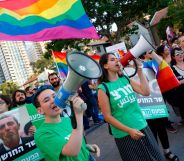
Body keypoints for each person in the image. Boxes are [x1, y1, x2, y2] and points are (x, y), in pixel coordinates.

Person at [97, 53, 165, 161]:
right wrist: (129, 130)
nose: (117, 61)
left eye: (117, 59)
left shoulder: (125, 79)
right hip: (124, 134)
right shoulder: (103, 88)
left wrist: (140, 70)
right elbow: (108, 117)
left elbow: (146, 91)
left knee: (155, 157)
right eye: (112, 60)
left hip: (142, 125)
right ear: (105, 66)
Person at [33, 85, 100, 161]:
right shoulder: (41, 134)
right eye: (46, 100)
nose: (53, 100)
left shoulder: (67, 120)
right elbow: (72, 151)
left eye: (54, 96)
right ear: (40, 110)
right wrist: (78, 114)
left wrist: (86, 147)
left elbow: (75, 140)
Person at [141, 51, 179, 161]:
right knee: (152, 131)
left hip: (157, 100)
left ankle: (167, 151)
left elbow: (162, 63)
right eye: (149, 52)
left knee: (161, 128)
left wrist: (153, 53)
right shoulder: (137, 67)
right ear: (144, 55)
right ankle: (155, 154)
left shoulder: (152, 63)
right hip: (145, 103)